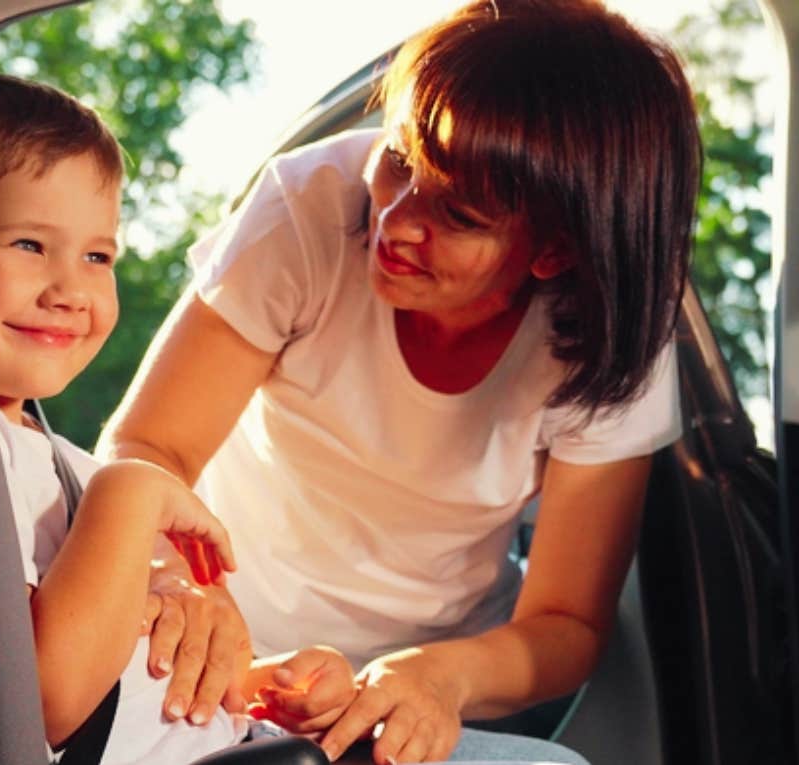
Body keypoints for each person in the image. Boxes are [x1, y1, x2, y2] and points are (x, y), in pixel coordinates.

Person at [98, 1, 701, 763]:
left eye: (457, 212)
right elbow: (150, 446)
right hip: (217, 650)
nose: (396, 221)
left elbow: (567, 624)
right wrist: (173, 587)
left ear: (552, 251)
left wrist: (439, 678)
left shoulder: (611, 342)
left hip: (432, 682)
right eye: (399, 160)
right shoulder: (307, 205)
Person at [0, 65, 365, 764]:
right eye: (30, 245)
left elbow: (128, 673)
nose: (72, 290)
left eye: (98, 255)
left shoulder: (58, 459)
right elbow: (50, 699)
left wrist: (257, 686)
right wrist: (128, 495)